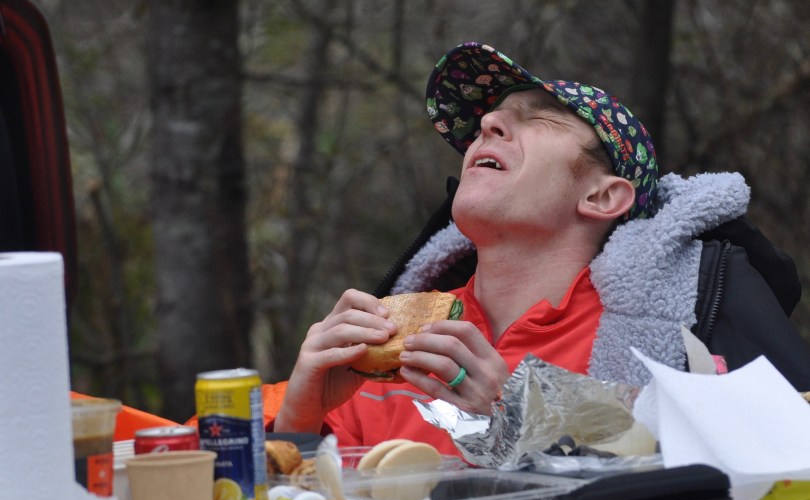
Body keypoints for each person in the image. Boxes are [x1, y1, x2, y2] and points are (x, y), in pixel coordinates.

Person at [271, 42, 810, 456]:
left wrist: (527, 422)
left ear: (602, 196)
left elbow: (760, 480)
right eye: (487, 124)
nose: (487, 123)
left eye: (539, 118)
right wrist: (300, 418)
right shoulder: (388, 350)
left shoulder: (667, 346)